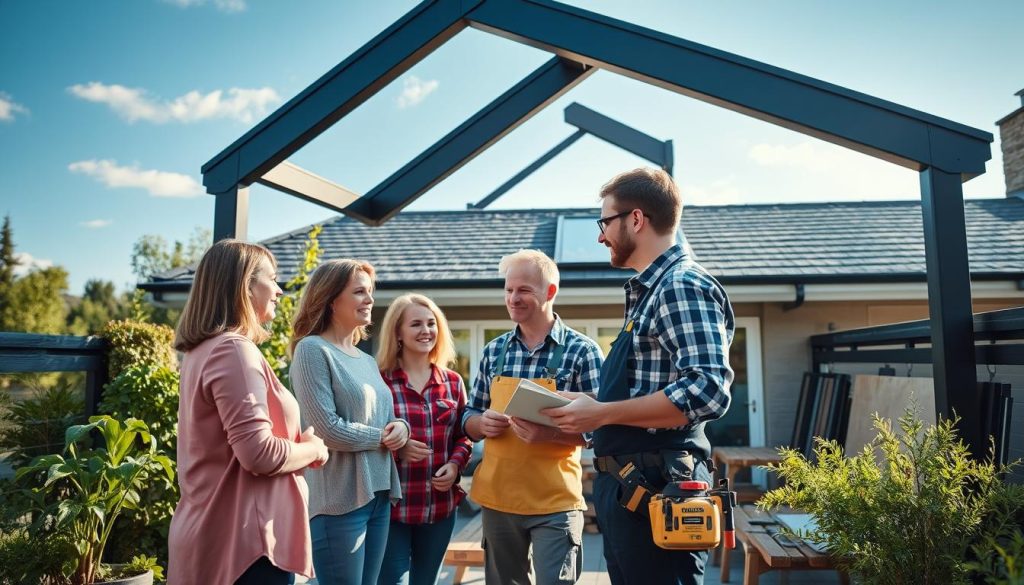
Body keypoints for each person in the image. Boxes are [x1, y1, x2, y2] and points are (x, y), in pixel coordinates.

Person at [543, 168, 735, 585]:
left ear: (635, 219)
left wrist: (604, 413)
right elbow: (644, 389)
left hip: (658, 488)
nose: (600, 236)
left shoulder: (681, 286)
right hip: (634, 491)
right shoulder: (651, 290)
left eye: (604, 222)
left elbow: (707, 391)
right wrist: (585, 408)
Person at [168, 239, 329, 585]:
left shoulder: (204, 351)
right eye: (272, 279)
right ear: (245, 286)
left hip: (220, 537)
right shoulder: (233, 352)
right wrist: (313, 450)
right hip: (243, 550)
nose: (280, 291)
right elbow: (259, 454)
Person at [463, 249, 604, 585]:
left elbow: (600, 429)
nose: (513, 298)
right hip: (498, 499)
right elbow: (468, 415)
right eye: (509, 290)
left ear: (550, 292)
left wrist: (550, 435)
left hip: (555, 502)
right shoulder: (493, 351)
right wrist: (481, 424)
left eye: (524, 290)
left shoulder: (582, 351)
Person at [289, 259, 411, 585]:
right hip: (339, 502)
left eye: (370, 292)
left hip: (379, 493)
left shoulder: (367, 360)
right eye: (359, 292)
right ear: (331, 300)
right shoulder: (312, 350)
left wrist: (401, 427)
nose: (370, 299)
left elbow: (384, 419)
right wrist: (385, 439)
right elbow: (327, 429)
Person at [376, 293, 474, 585]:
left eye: (431, 323)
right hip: (393, 508)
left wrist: (456, 466)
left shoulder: (452, 382)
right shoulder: (380, 381)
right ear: (398, 332)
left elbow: (464, 437)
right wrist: (397, 450)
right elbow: (366, 440)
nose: (426, 330)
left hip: (439, 509)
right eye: (416, 324)